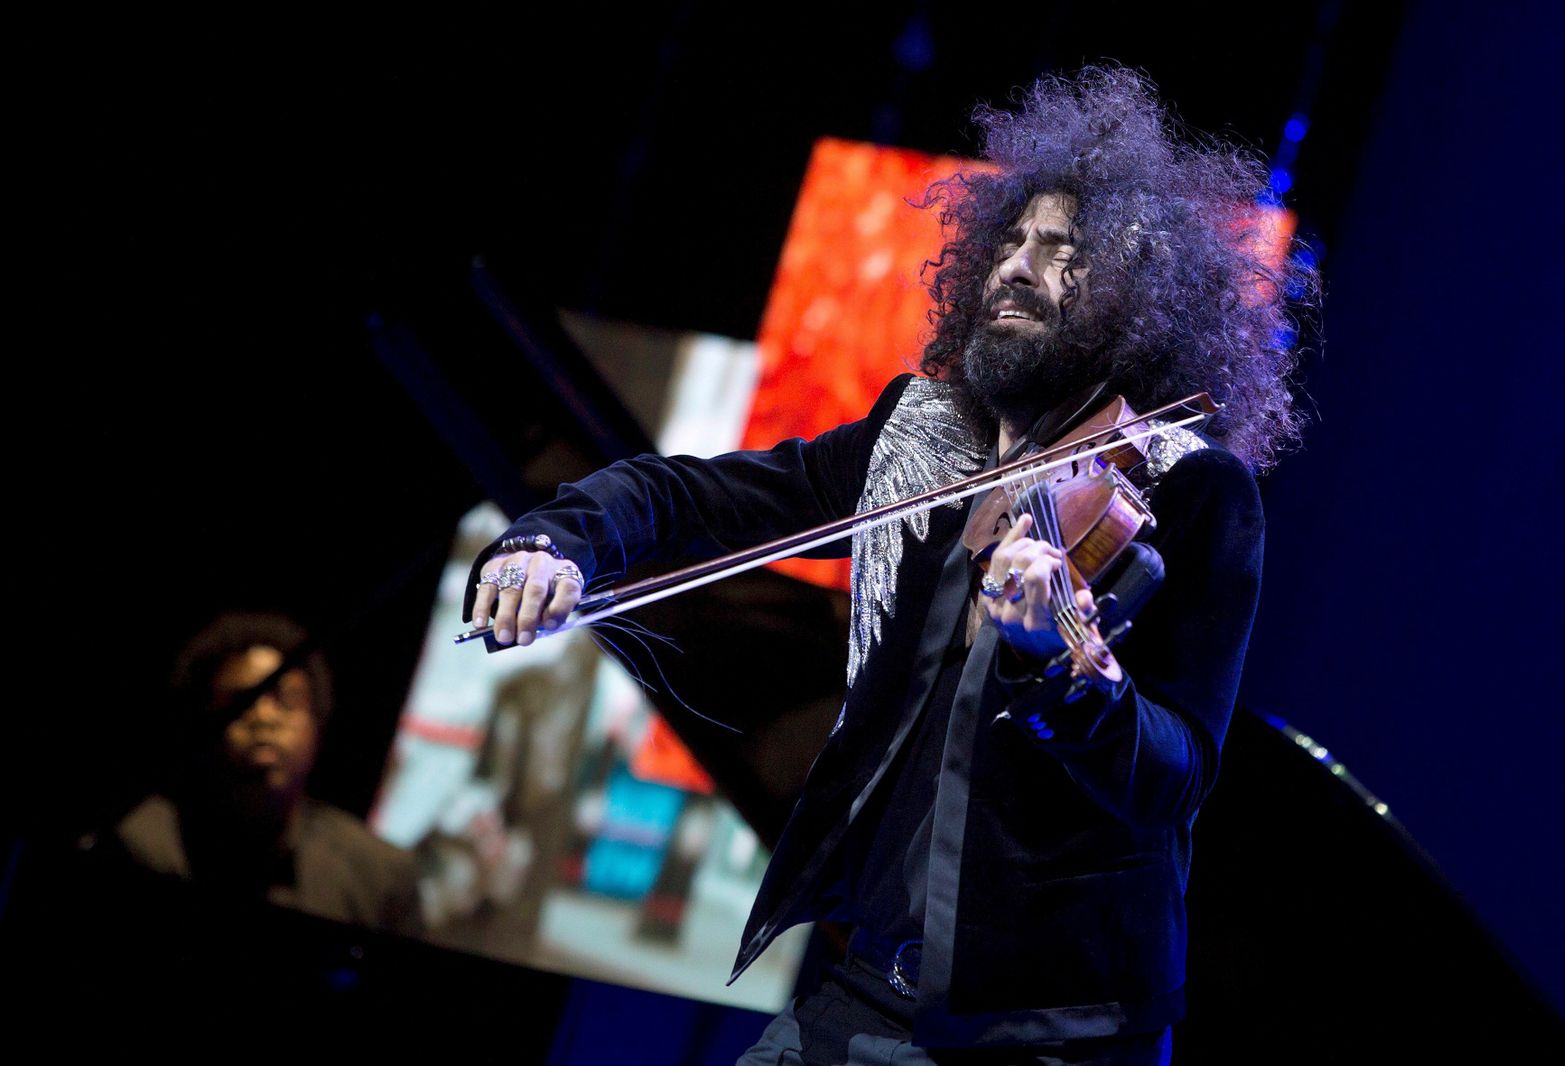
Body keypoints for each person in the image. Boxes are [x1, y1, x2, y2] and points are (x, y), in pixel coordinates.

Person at [465, 68, 1311, 1064]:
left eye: (1063, 253)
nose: (1016, 266)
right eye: (1011, 240)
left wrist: (1061, 668)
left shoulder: (1191, 492)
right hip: (863, 989)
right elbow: (692, 496)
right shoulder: (922, 438)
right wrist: (552, 541)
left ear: (1138, 300)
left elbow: (1176, 774)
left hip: (1050, 1033)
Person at [109, 612, 422, 935]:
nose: (263, 718)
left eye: (286, 702)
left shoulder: (378, 875)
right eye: (241, 701)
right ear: (201, 720)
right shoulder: (137, 846)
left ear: (316, 725)